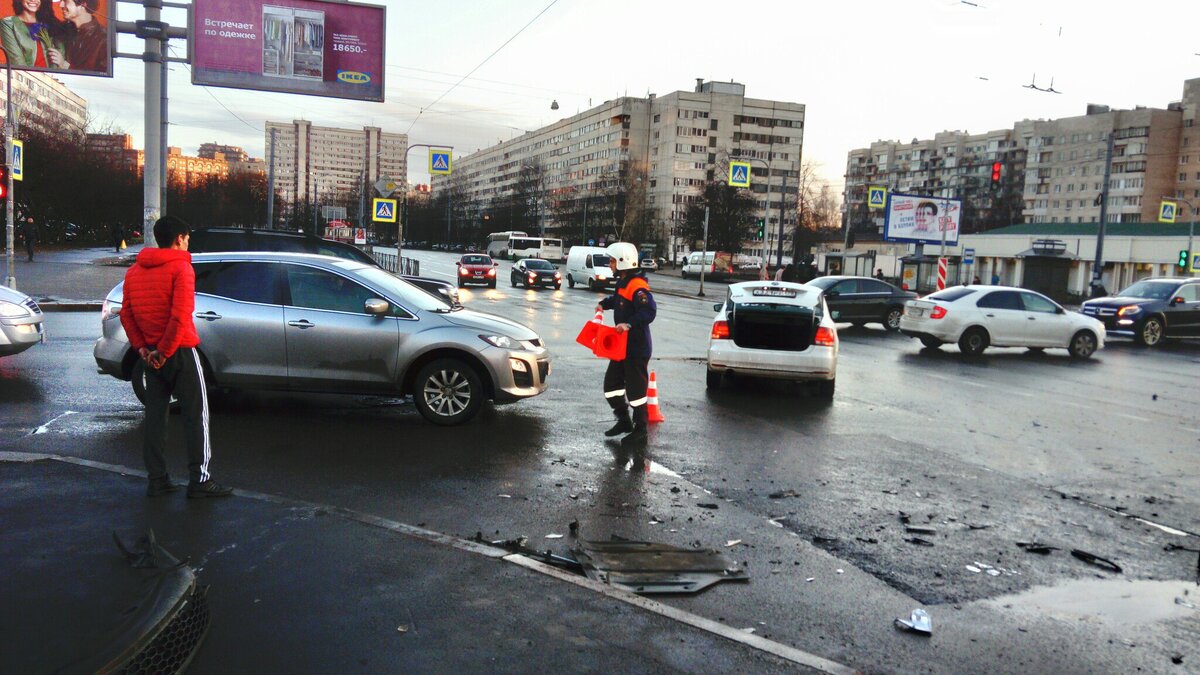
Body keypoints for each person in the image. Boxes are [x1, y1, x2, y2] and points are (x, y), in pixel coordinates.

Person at [120, 215, 232, 499]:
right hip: (179, 352)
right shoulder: (182, 269)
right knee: (197, 417)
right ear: (179, 238)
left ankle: (157, 479)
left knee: (156, 418)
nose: (187, 244)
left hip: (151, 356)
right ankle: (201, 481)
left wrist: (144, 349)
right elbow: (180, 316)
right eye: (187, 239)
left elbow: (127, 314)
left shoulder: (134, 272)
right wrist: (165, 351)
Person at [596, 241, 657, 444]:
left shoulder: (637, 286)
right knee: (611, 385)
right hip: (622, 348)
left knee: (636, 392)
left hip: (636, 349)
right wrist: (605, 304)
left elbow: (649, 311)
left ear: (623, 262)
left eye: (612, 261)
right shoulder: (623, 282)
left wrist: (628, 324)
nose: (610, 265)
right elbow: (619, 300)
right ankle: (623, 420)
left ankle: (641, 431)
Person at [46, 0, 106, 72]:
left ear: (83, 4)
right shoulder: (63, 29)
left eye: (65, 1)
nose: (61, 5)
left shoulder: (103, 40)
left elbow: (96, 78)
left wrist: (64, 65)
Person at [0, 0, 64, 68]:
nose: (33, 0)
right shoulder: (9, 24)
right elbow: (17, 61)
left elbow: (63, 58)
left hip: (53, 77)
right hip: (30, 76)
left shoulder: (51, 24)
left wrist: (62, 64)